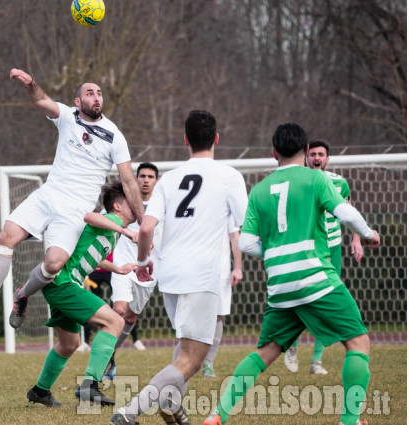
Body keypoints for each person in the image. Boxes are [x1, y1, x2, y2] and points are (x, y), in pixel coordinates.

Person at [203, 123, 380, 425]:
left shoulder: (259, 190)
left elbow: (245, 243)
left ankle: (217, 414)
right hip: (315, 278)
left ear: (273, 153)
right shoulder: (316, 178)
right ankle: (350, 420)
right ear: (306, 149)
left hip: (280, 286)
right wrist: (369, 233)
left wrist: (273, 250)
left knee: (265, 352)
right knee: (358, 342)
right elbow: (346, 213)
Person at [0, 68, 143, 327]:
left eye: (99, 93)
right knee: (5, 237)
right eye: (89, 93)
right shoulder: (68, 116)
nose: (96, 97)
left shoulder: (114, 135)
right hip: (48, 195)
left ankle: (22, 294)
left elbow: (128, 181)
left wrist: (141, 220)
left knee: (55, 263)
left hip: (76, 210)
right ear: (78, 102)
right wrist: (30, 82)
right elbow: (40, 100)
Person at [111, 110, 248, 425]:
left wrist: (144, 262)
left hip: (170, 275)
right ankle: (128, 414)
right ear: (216, 138)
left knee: (185, 347)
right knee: (193, 359)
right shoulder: (230, 176)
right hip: (202, 276)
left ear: (185, 140)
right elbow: (244, 227)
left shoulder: (168, 179)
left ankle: (172, 404)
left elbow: (146, 228)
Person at [24, 181, 137, 407]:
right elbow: (89, 216)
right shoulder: (113, 221)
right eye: (130, 201)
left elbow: (87, 253)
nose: (136, 204)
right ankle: (90, 386)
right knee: (115, 321)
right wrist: (125, 230)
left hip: (59, 284)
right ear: (117, 206)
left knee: (69, 344)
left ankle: (40, 391)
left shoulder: (113, 230)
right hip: (65, 284)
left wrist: (117, 268)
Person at [284, 139, 364, 375]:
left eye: (321, 154)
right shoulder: (299, 182)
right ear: (306, 157)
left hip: (333, 247)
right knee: (300, 297)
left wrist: (357, 238)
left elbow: (349, 211)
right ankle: (292, 346)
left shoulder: (340, 183)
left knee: (327, 301)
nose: (317, 158)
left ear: (327, 159)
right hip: (308, 249)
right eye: (313, 154)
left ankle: (316, 361)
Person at [103, 162, 161, 380]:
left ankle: (111, 353)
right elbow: (104, 219)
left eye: (150, 176)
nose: (146, 180)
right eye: (142, 176)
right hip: (123, 267)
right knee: (118, 311)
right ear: (135, 179)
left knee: (130, 318)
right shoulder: (124, 203)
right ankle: (104, 355)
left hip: (148, 269)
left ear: (156, 181)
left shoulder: (161, 205)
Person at [201, 216, 243, 378]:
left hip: (220, 271)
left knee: (217, 316)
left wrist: (237, 267)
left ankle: (208, 363)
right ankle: (187, 359)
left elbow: (235, 237)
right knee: (192, 316)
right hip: (193, 270)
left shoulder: (226, 204)